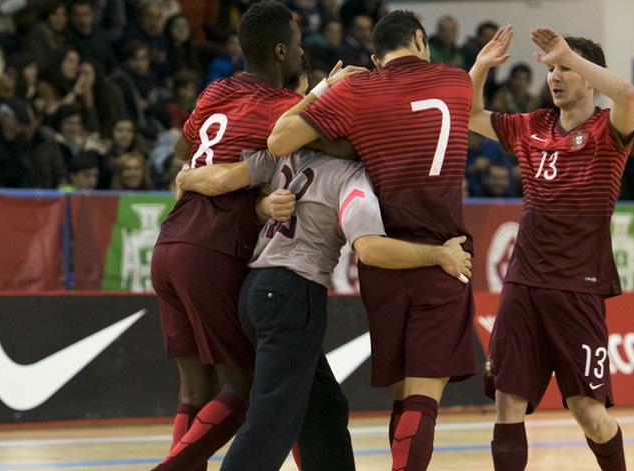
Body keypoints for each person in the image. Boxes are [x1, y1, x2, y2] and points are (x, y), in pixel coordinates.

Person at [175, 145, 472, 471]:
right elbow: (370, 250)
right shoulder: (351, 176)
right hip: (292, 293)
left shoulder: (281, 153)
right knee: (271, 425)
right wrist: (440, 256)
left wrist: (188, 177)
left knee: (323, 408)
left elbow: (224, 178)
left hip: (252, 290)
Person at [269, 10, 478, 471]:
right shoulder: (457, 81)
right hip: (443, 255)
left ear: (375, 57)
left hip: (382, 260)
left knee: (404, 399)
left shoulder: (358, 90)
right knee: (422, 402)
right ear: (421, 40)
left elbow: (279, 139)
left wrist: (333, 93)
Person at [468, 25, 634, 470]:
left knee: (588, 413)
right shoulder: (533, 126)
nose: (555, 76)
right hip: (523, 282)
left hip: (577, 286)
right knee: (508, 403)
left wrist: (573, 55)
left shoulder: (608, 129)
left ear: (588, 76)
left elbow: (628, 94)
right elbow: (470, 116)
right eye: (553, 69)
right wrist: (480, 68)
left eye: (565, 68)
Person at [148, 2, 310, 469]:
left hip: (171, 241)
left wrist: (204, 175)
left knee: (193, 388)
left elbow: (183, 152)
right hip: (213, 246)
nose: (300, 52)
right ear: (282, 50)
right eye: (297, 45)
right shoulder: (283, 109)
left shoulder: (216, 89)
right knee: (241, 389)